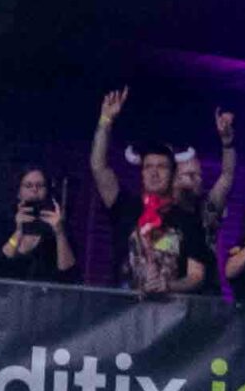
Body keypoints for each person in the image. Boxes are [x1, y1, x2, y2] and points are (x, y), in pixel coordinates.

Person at [90, 89, 213, 295]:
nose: (154, 173)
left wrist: (169, 286)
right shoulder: (125, 206)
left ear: (173, 174)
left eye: (162, 167)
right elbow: (98, 167)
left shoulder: (188, 219)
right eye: (148, 167)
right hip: (123, 308)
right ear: (142, 173)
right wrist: (105, 121)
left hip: (169, 312)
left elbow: (196, 276)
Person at [0, 168, 76, 281]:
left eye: (40, 185)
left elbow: (67, 270)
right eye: (28, 185)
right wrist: (18, 232)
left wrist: (59, 232)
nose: (34, 190)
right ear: (18, 192)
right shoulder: (3, 222)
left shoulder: (58, 225)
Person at [171, 109, 239, 240]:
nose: (198, 180)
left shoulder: (207, 207)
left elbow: (227, 175)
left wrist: (227, 144)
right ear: (174, 178)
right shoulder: (161, 212)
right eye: (191, 175)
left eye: (199, 175)